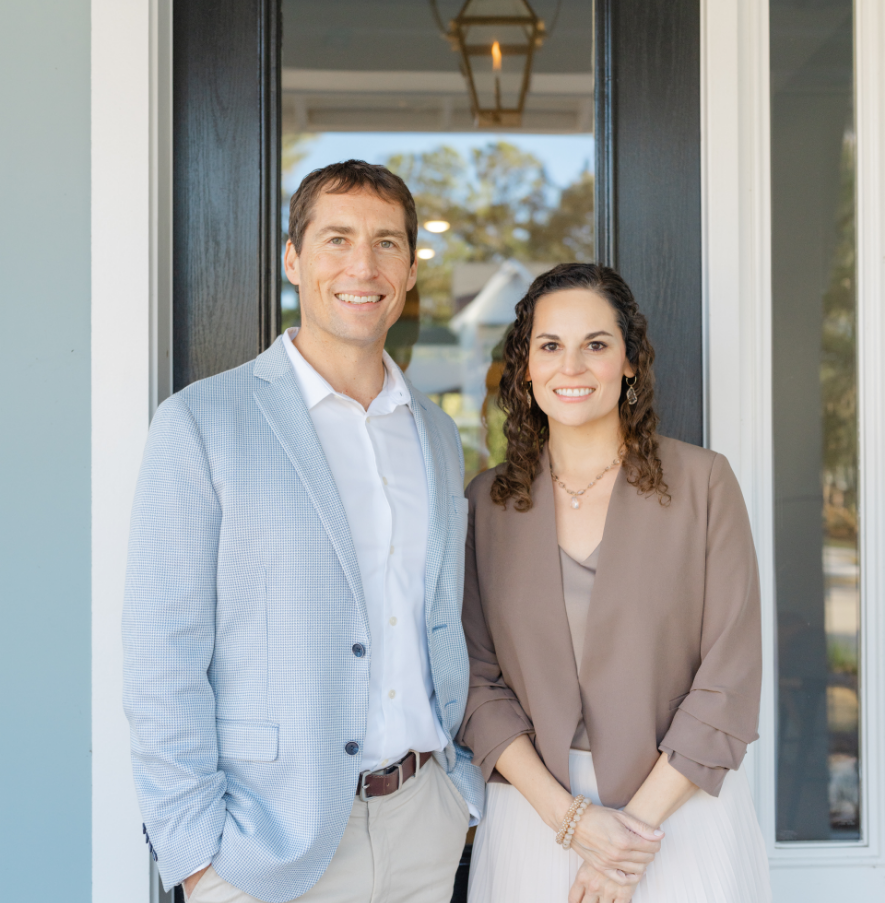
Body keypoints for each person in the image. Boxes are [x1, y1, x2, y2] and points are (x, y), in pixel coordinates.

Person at [123, 160, 482, 903]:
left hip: (425, 824)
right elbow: (163, 655)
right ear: (293, 259)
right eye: (337, 238)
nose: (363, 265)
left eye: (387, 243)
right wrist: (196, 857)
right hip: (265, 847)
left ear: (410, 271)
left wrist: (462, 797)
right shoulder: (201, 424)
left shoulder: (437, 436)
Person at [457, 263, 771, 903]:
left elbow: (728, 683)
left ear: (629, 362)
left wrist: (622, 843)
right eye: (550, 346)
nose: (570, 366)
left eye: (595, 345)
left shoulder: (704, 484)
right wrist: (572, 822)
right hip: (534, 824)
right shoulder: (487, 503)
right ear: (526, 367)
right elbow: (474, 682)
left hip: (677, 822)